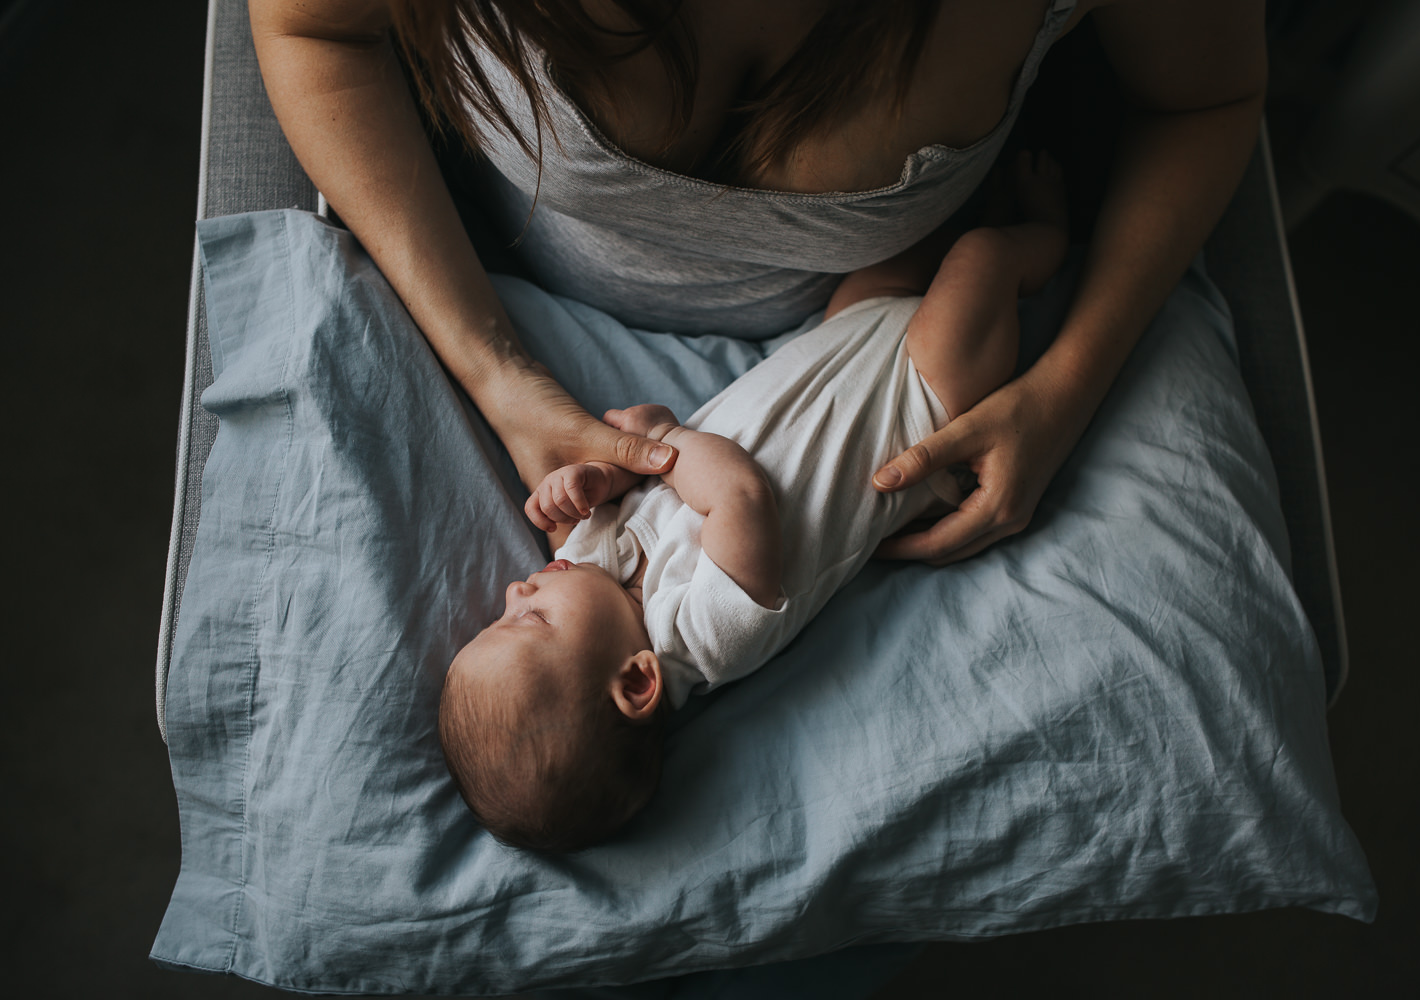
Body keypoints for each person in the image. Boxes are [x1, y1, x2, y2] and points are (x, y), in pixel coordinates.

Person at [248, 0, 1268, 567]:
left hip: (870, 333)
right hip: (483, 301)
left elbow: (1206, 102)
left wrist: (1062, 392)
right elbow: (315, 30)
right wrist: (499, 373)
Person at [438, 153, 1071, 852]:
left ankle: (981, 185)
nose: (515, 588)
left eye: (501, 611)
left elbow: (631, 479)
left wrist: (592, 484)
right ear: (638, 681)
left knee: (901, 241)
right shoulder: (706, 637)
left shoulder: (589, 561)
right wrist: (665, 438)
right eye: (527, 621)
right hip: (921, 401)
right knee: (982, 259)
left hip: (839, 342)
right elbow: (737, 495)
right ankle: (1050, 233)